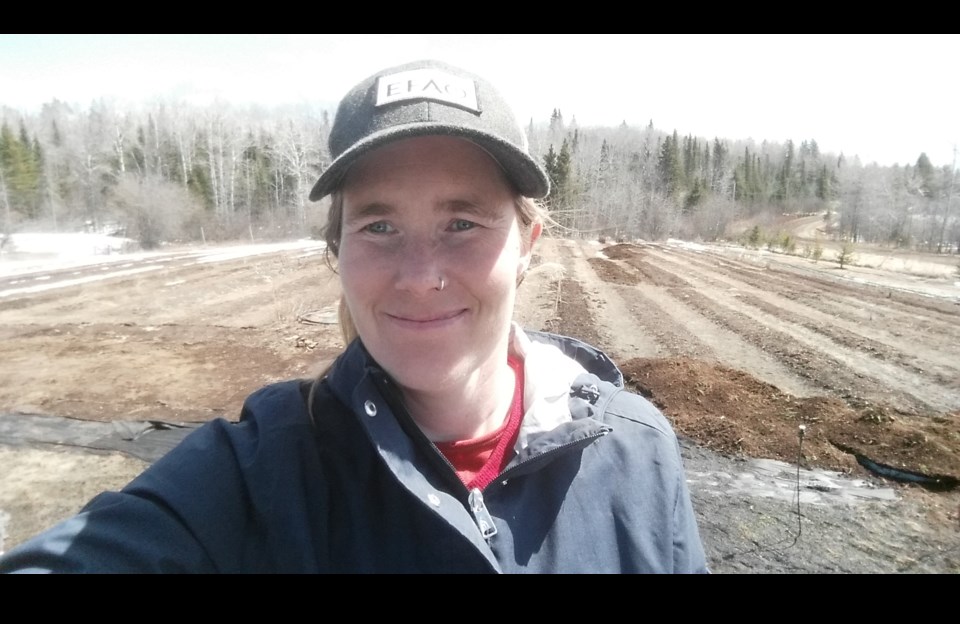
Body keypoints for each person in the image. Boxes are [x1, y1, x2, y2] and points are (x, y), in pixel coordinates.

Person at [0, 59, 709, 573]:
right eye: (378, 227)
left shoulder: (635, 454)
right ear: (335, 249)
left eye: (462, 222)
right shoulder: (263, 470)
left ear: (527, 245)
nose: (421, 276)